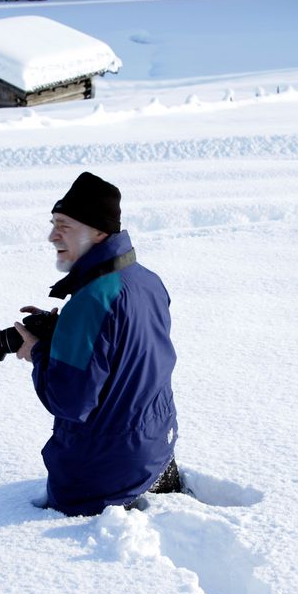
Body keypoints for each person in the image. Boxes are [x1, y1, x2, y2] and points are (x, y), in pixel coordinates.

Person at [14, 172, 181, 516]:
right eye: (52, 223)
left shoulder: (91, 302)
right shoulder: (146, 280)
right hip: (157, 449)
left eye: (63, 225)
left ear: (99, 232)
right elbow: (126, 349)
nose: (51, 235)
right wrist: (65, 332)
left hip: (100, 479)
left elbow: (69, 400)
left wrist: (37, 351)